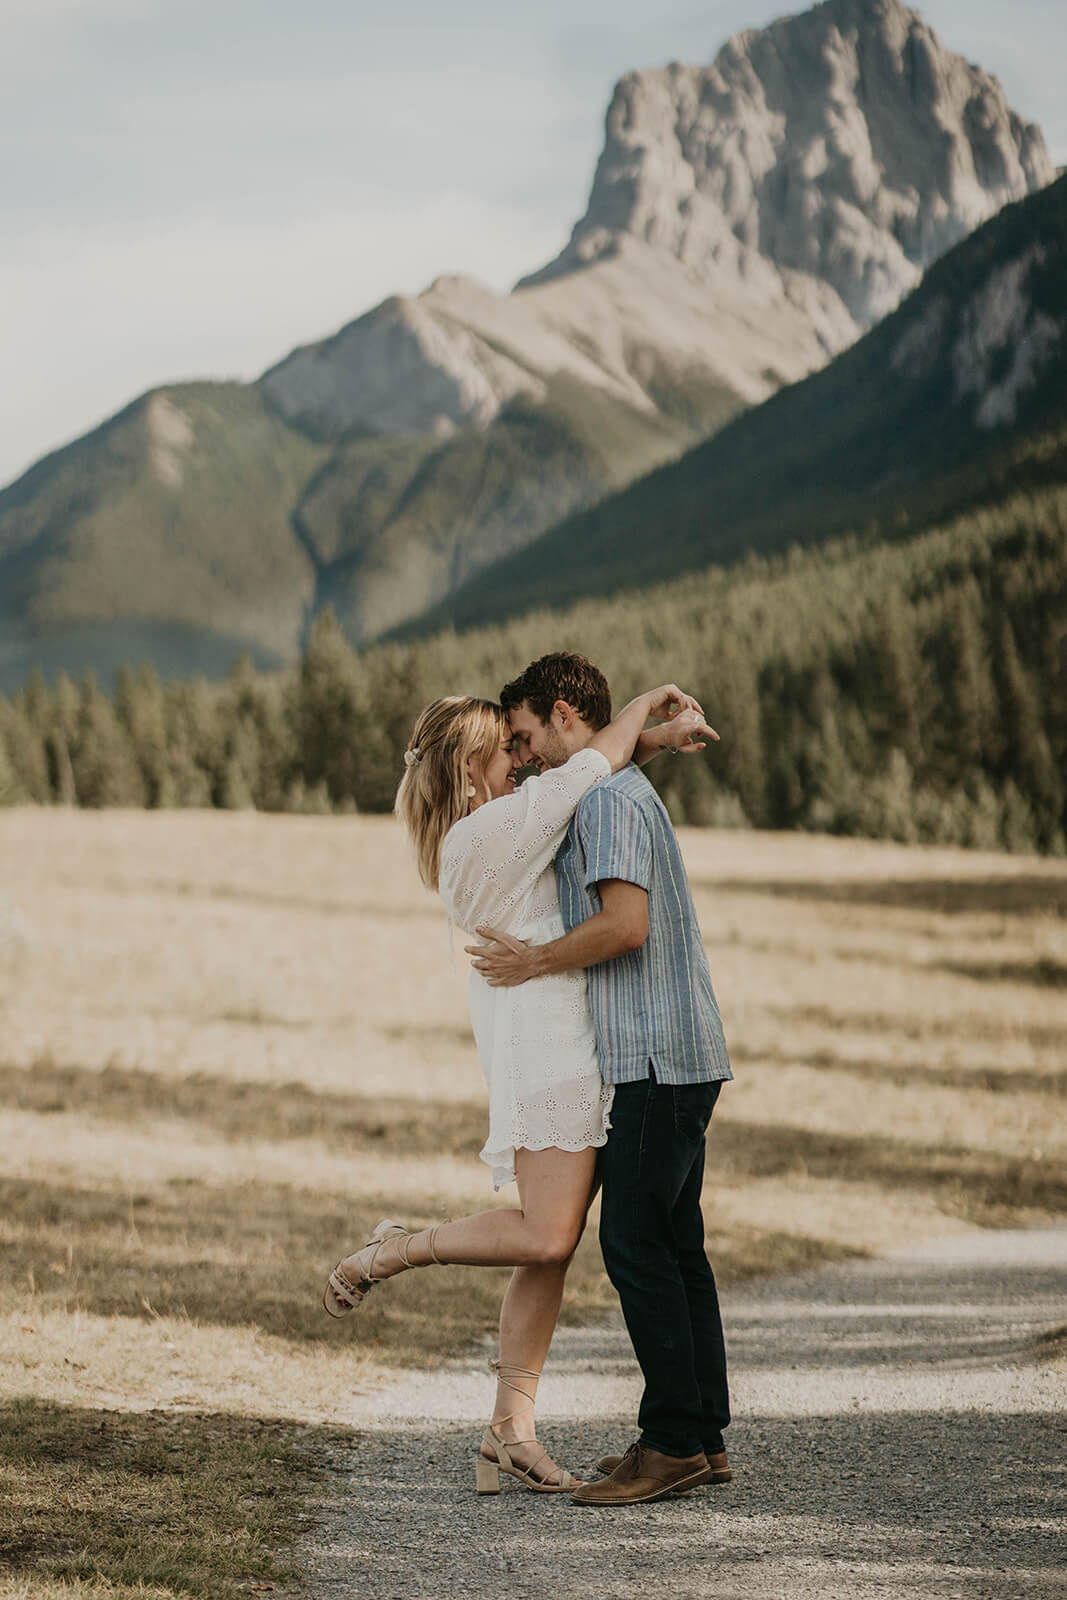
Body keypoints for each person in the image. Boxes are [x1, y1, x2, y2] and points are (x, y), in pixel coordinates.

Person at [322, 681, 716, 1498]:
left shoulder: (495, 822)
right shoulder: (488, 831)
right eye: (507, 750)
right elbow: (585, 770)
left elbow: (580, 770)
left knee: (555, 1240)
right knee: (544, 1235)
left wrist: (653, 741)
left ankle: (511, 1430)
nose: (521, 760)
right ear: (472, 764)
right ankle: (395, 1247)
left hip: (565, 1044)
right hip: (550, 1053)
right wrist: (644, 709)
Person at [468, 652, 733, 1508]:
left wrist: (535, 960)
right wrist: (653, 733)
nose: (526, 755)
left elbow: (625, 925)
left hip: (654, 1059)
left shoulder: (608, 805)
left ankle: (670, 1445)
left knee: (632, 1243)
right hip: (675, 1054)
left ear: (560, 716)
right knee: (676, 1244)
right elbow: (604, 765)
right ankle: (701, 1435)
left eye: (524, 735)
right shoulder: (610, 789)